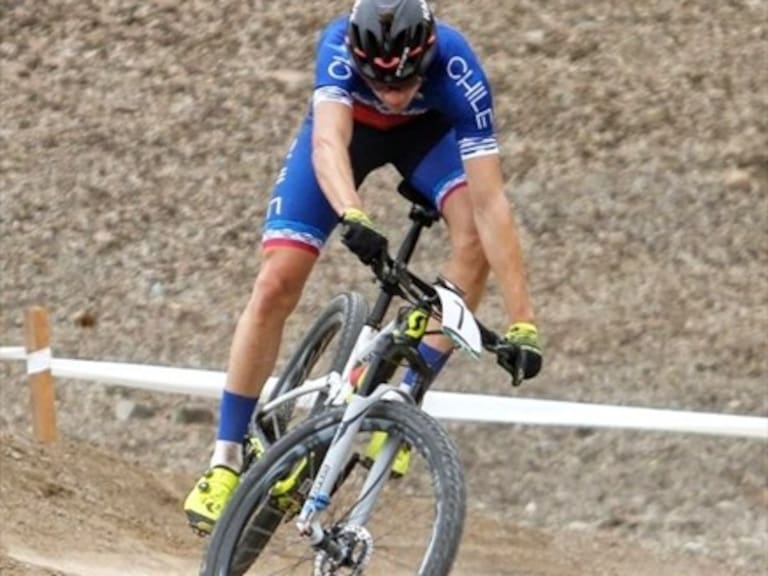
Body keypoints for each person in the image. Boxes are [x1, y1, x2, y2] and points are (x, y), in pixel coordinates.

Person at [183, 0, 543, 535]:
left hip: (427, 140)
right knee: (277, 280)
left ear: (427, 57)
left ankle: (405, 396)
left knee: (472, 240)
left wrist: (523, 322)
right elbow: (329, 143)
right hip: (349, 135)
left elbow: (492, 203)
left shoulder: (457, 64)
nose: (392, 94)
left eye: (406, 81)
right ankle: (225, 459)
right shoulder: (336, 46)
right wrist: (353, 213)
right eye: (378, 81)